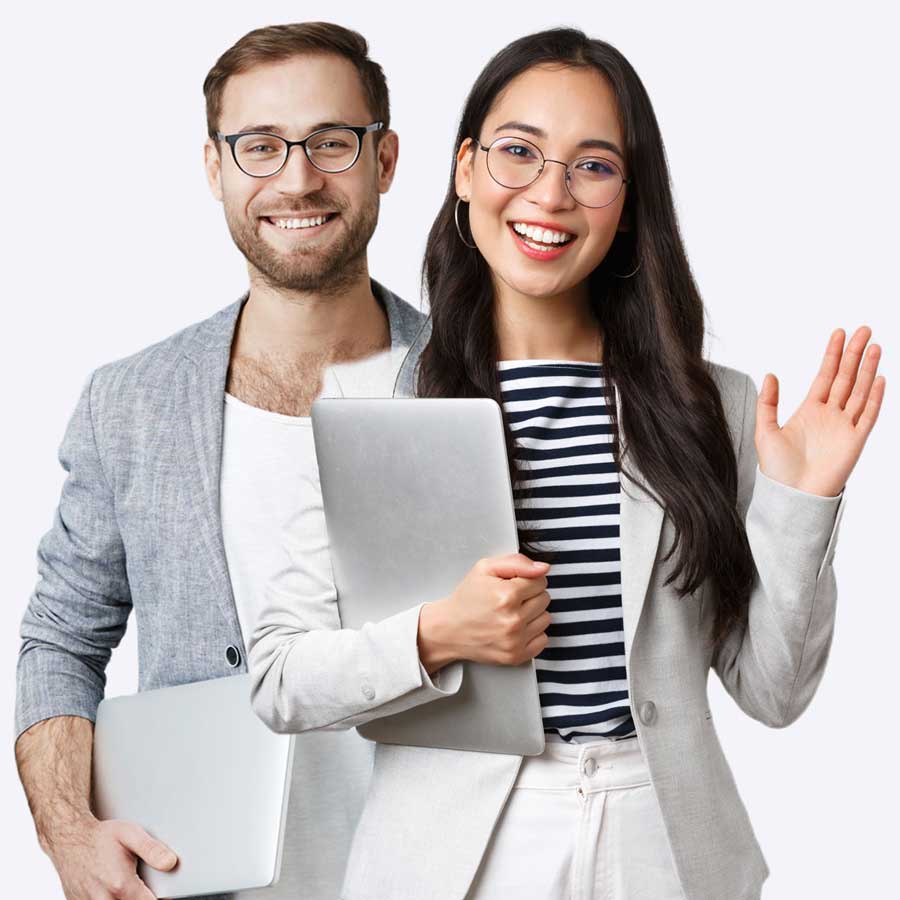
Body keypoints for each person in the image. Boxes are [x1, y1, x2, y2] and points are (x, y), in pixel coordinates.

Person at [247, 27, 885, 900]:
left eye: (593, 166)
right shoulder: (369, 403)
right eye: (519, 153)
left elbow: (774, 694)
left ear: (628, 200)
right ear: (466, 169)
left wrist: (802, 500)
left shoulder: (717, 407)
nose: (550, 194)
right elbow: (280, 678)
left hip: (662, 843)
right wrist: (438, 634)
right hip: (457, 857)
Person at [13, 21, 429, 900]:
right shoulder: (127, 402)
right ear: (215, 169)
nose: (299, 177)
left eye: (331, 141)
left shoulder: (479, 382)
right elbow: (61, 639)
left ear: (383, 159)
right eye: (261, 146)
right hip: (204, 880)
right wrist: (67, 833)